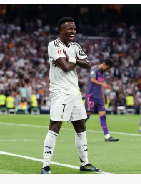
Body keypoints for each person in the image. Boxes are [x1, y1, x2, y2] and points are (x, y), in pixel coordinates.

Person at [41, 17, 100, 174]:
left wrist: (71, 58)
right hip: (60, 92)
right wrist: (74, 61)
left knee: (81, 126)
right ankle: (45, 165)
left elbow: (88, 64)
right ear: (62, 30)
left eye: (74, 28)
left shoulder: (75, 46)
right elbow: (66, 67)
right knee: (55, 126)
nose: (73, 31)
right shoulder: (54, 45)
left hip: (74, 92)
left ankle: (85, 163)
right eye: (69, 29)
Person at [85, 59, 119, 142]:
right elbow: (92, 79)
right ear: (103, 64)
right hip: (91, 96)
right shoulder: (94, 68)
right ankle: (79, 131)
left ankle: (107, 136)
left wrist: (103, 96)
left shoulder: (102, 73)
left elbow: (101, 86)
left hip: (99, 97)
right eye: (107, 68)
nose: (107, 70)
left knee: (103, 116)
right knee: (87, 115)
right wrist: (103, 84)